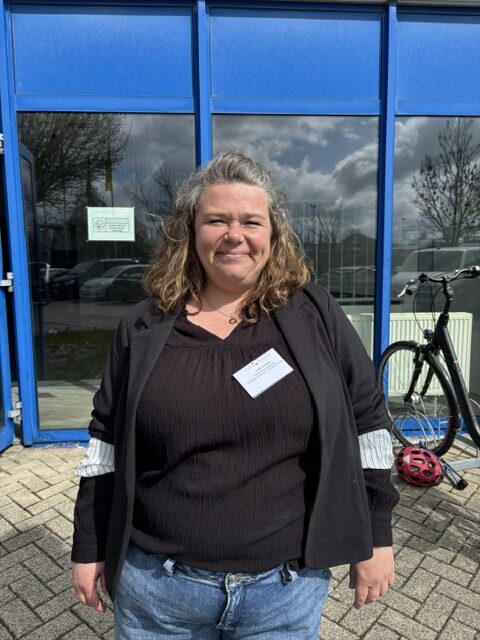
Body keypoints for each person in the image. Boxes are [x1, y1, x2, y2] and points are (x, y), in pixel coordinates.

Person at [71, 151, 399, 639]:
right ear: (189, 232)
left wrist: (376, 535)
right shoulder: (142, 326)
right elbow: (105, 443)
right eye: (216, 220)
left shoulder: (314, 314)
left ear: (273, 234)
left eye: (251, 221)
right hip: (158, 590)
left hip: (285, 591)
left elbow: (368, 423)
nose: (234, 235)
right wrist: (89, 545)